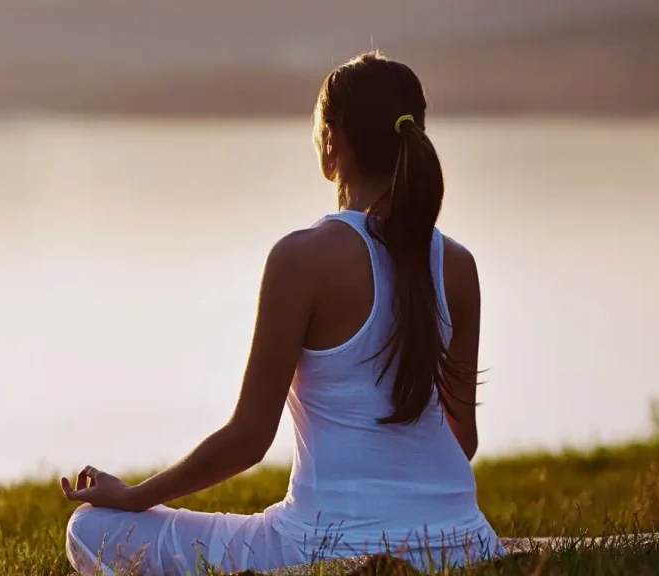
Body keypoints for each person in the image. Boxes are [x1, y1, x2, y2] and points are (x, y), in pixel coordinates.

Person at [61, 51, 506, 575]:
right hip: (466, 543)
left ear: (333, 142)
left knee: (90, 528)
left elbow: (249, 439)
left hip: (322, 548)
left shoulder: (302, 259)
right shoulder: (457, 264)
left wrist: (135, 496)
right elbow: (463, 440)